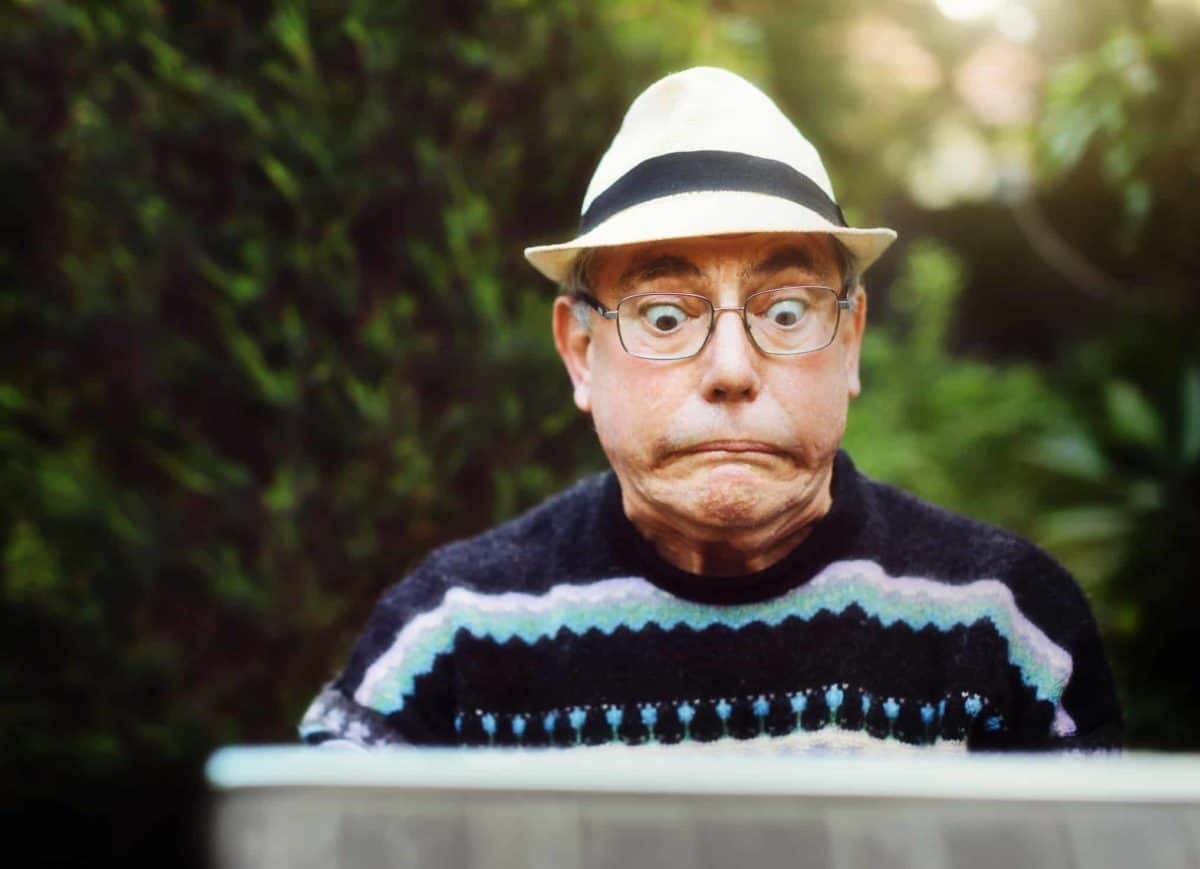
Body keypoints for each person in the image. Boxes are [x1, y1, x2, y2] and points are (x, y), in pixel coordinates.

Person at [300, 67, 1121, 752]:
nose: (732, 370)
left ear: (852, 342)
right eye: (665, 316)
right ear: (581, 352)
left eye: (788, 311)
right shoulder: (449, 641)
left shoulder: (1009, 631)